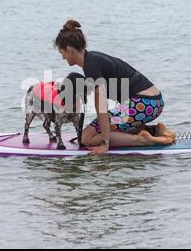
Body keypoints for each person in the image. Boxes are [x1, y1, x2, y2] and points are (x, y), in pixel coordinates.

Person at [54, 19, 176, 155]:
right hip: (154, 103)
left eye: (62, 53)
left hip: (143, 104)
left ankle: (142, 140)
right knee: (109, 126)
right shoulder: (94, 58)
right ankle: (154, 130)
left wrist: (105, 143)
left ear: (69, 50)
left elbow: (101, 107)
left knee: (86, 137)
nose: (63, 58)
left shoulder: (90, 66)